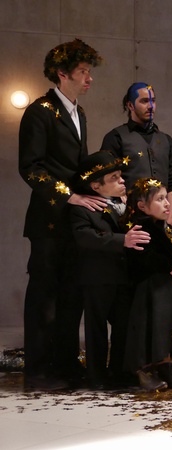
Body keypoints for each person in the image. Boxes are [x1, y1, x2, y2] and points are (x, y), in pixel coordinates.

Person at [18, 38, 104, 390]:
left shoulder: (79, 113)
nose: (89, 78)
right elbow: (31, 168)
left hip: (73, 221)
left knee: (71, 296)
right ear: (62, 74)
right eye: (83, 72)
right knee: (44, 299)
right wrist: (69, 196)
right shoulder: (39, 111)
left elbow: (78, 168)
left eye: (89, 72)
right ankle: (38, 372)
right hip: (48, 220)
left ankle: (66, 364)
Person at [69, 151, 150, 390]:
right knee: (96, 329)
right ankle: (96, 376)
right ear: (96, 186)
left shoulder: (126, 204)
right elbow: (84, 236)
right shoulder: (83, 207)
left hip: (123, 276)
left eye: (120, 175)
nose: (122, 180)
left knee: (123, 326)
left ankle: (120, 372)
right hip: (97, 276)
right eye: (114, 178)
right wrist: (121, 240)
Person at [123, 178, 172, 391]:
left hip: (171, 291)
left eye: (166, 198)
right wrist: (169, 264)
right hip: (153, 291)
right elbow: (144, 257)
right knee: (153, 328)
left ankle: (165, 366)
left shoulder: (166, 228)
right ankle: (145, 370)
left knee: (168, 327)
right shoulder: (142, 229)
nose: (167, 203)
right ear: (142, 206)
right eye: (159, 199)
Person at [101, 83, 172, 226]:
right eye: (144, 101)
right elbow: (106, 180)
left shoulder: (166, 140)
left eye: (153, 101)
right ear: (130, 105)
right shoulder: (116, 137)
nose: (150, 106)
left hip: (161, 222)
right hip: (128, 220)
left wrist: (170, 219)